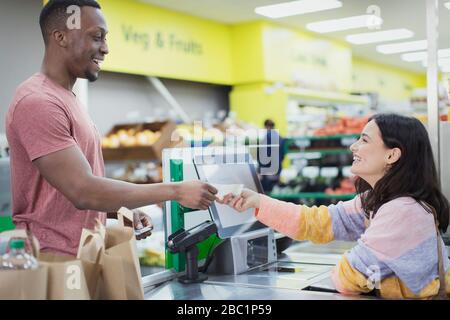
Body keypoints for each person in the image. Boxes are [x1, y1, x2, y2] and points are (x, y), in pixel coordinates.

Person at [5, 0, 217, 256]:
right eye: (97, 37)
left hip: (84, 254)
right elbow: (83, 190)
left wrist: (118, 208)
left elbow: (64, 194)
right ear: (60, 37)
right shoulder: (38, 102)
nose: (105, 48)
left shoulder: (67, 99)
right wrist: (176, 190)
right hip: (52, 262)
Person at [220, 113, 450, 299]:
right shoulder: (379, 199)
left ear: (392, 155)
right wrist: (259, 201)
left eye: (364, 139)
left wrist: (354, 262)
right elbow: (318, 221)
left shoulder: (403, 211)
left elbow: (347, 276)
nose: (353, 146)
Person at [258, 119, 286, 193]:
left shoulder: (266, 138)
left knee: (266, 194)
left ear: (266, 126)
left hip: (267, 171)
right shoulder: (281, 138)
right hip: (277, 170)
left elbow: (262, 156)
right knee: (275, 194)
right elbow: (283, 155)